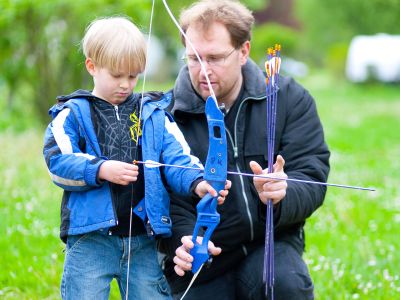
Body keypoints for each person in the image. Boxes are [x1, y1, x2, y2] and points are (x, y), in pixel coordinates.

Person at [43, 16, 230, 300]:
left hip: (143, 238)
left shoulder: (152, 113)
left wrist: (197, 182)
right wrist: (101, 169)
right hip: (90, 240)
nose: (126, 85)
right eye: (116, 75)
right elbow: (58, 163)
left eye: (133, 76)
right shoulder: (73, 114)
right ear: (92, 66)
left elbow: (177, 158)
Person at [157, 1, 330, 299]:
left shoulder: (289, 99)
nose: (204, 71)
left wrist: (282, 194)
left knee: (284, 285)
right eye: (194, 59)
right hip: (203, 257)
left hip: (271, 245)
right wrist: (183, 240)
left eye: (215, 58)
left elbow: (312, 174)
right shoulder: (165, 116)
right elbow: (163, 196)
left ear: (244, 51)